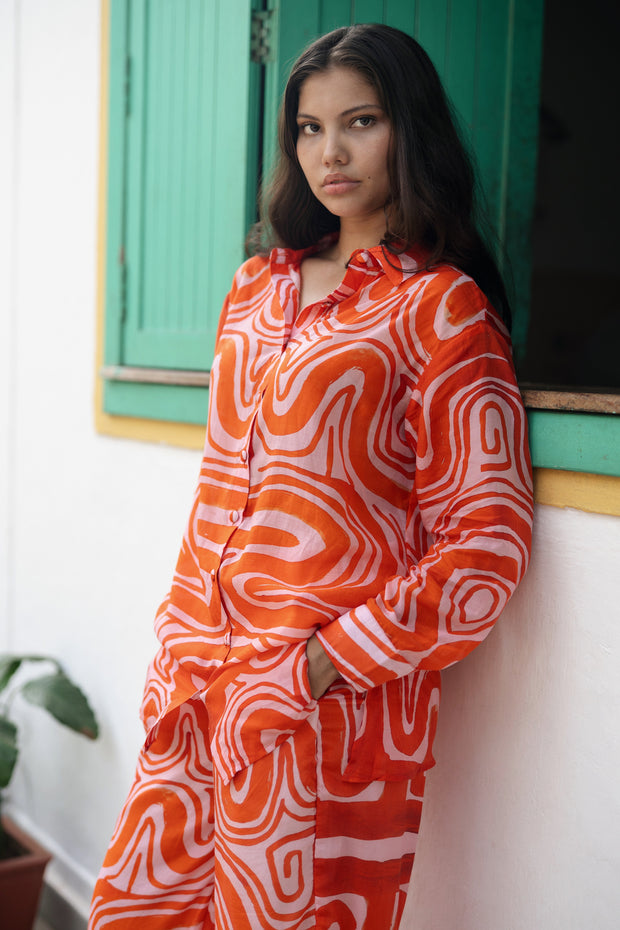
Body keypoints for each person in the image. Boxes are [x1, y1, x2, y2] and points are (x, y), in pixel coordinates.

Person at [89, 23, 533, 930]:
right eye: (308, 127)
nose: (330, 152)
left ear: (409, 128)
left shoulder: (441, 309)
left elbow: (485, 550)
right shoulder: (255, 289)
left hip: (320, 713)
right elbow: (222, 485)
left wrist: (318, 668)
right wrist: (178, 635)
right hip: (199, 689)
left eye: (361, 121)